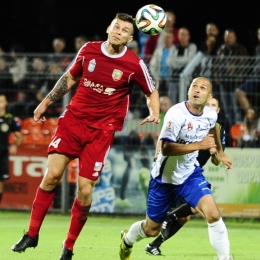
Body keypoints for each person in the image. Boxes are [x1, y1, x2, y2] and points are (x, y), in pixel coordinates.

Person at [11, 13, 160, 260]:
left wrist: (154, 112)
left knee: (85, 192)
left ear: (130, 38)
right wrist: (46, 102)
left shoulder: (134, 64)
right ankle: (32, 234)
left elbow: (151, 92)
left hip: (101, 132)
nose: (118, 32)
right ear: (108, 28)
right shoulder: (89, 50)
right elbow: (69, 78)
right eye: (116, 27)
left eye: (124, 30)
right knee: (52, 176)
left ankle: (68, 247)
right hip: (73, 122)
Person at [119, 77, 233, 260]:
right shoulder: (176, 113)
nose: (197, 90)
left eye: (202, 88)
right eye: (194, 86)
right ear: (188, 91)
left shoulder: (210, 114)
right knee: (151, 230)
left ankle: (225, 258)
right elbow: (166, 147)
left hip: (190, 175)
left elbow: (214, 129)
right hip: (163, 179)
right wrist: (199, 145)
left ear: (209, 95)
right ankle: (127, 240)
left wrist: (221, 152)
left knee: (212, 213)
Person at [145, 97, 226, 256]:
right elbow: (164, 142)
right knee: (195, 211)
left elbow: (217, 161)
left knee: (189, 215)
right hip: (176, 172)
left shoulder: (218, 130)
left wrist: (215, 152)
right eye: (208, 104)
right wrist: (156, 159)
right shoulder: (187, 119)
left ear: (218, 111)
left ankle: (154, 243)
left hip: (192, 175)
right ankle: (165, 222)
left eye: (214, 105)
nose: (210, 107)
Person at [0, 93, 23, 204]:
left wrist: (15, 145)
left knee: (0, 181)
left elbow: (19, 137)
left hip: (2, 153)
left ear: (6, 103)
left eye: (1, 102)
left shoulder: (10, 119)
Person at [167, 27, 197, 105]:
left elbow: (189, 60)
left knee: (184, 101)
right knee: (172, 101)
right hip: (173, 78)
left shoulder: (192, 47)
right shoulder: (174, 47)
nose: (183, 37)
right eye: (181, 34)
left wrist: (176, 61)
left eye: (185, 35)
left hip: (186, 79)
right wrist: (181, 63)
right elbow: (169, 62)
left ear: (189, 36)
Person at [149, 30, 175, 96]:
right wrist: (157, 77)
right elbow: (152, 65)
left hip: (172, 80)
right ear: (163, 39)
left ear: (173, 39)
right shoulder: (158, 51)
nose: (168, 39)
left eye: (169, 38)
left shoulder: (176, 50)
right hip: (160, 81)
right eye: (166, 37)